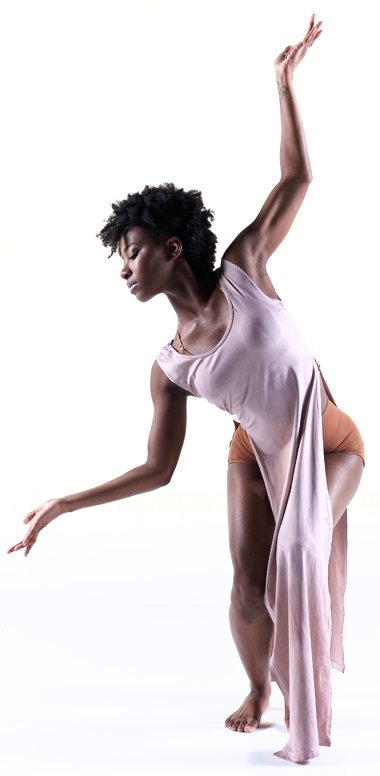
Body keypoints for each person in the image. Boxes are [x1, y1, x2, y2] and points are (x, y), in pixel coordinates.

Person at [8, 15, 364, 763]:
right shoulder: (171, 367)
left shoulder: (245, 265)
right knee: (245, 585)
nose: (125, 269)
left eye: (133, 253)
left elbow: (298, 178)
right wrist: (63, 503)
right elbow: (159, 470)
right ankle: (261, 688)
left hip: (329, 439)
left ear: (173, 250)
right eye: (121, 259)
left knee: (295, 549)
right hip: (252, 449)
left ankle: (308, 711)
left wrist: (283, 84)